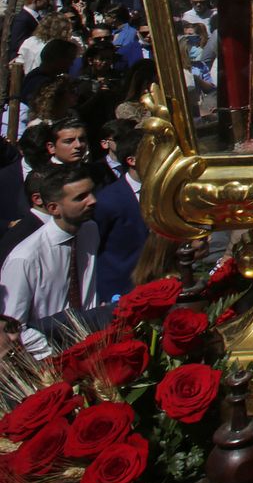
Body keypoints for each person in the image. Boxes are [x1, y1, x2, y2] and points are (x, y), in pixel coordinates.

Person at [0, 163, 100, 357]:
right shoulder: (24, 258)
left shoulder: (90, 231)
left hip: (93, 347)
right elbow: (12, 329)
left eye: (91, 192)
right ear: (54, 208)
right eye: (81, 197)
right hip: (50, 360)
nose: (93, 201)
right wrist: (56, 348)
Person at [92, 120, 147, 300]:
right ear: (132, 160)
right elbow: (92, 248)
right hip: (119, 292)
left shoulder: (166, 194)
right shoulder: (108, 201)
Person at [6, 0, 51, 64]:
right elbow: (17, 44)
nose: (47, 2)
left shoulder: (36, 17)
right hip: (24, 62)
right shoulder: (22, 19)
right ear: (35, 0)